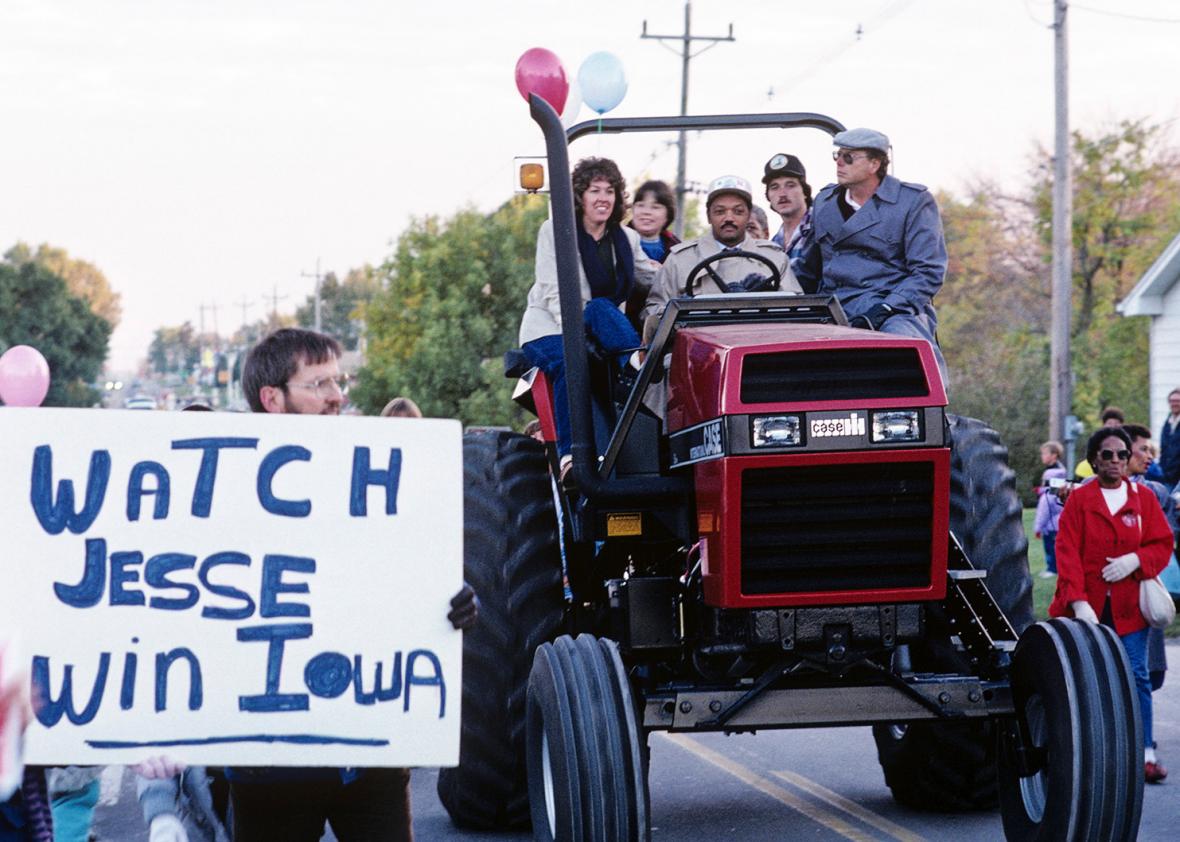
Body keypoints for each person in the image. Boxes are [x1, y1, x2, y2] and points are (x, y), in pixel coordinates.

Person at [229, 327, 480, 841]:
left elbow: (407, 573)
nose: (337, 396)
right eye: (318, 384)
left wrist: (450, 603)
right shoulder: (223, 491)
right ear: (272, 399)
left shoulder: (377, 475)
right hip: (270, 767)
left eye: (337, 381)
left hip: (369, 757)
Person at [1049, 426, 1173, 784]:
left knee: (1137, 676)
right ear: (1094, 461)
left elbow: (1161, 544)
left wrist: (1136, 560)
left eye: (1122, 454)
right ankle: (1093, 754)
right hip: (1089, 607)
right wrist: (1078, 601)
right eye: (1108, 455)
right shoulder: (1080, 500)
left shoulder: (1144, 499)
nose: (1117, 460)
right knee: (1088, 680)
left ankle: (1145, 753)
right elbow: (1067, 551)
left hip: (1130, 608)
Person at [519, 157, 657, 475]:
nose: (603, 198)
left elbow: (648, 276)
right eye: (595, 190)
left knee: (601, 310)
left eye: (610, 191)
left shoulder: (627, 238)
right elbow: (554, 290)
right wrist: (577, 336)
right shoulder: (555, 231)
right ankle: (571, 458)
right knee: (573, 359)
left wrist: (679, 270)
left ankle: (637, 375)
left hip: (602, 331)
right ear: (580, 195)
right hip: (551, 326)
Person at [794, 127, 949, 385]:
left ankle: (928, 419)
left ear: (874, 164)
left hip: (890, 306)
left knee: (912, 359)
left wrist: (887, 308)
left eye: (849, 157)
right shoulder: (825, 202)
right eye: (837, 155)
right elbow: (808, 269)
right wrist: (772, 286)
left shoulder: (911, 202)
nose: (839, 163)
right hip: (833, 306)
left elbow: (928, 272)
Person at [642, 175, 801, 324]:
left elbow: (798, 310)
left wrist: (769, 298)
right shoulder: (680, 258)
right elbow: (653, 310)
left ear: (748, 216)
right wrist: (680, 311)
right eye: (720, 212)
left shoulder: (774, 257)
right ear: (708, 216)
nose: (729, 218)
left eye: (738, 211)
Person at [1123, 423, 1175, 696]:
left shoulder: (1155, 492)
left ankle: (1143, 737)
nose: (1149, 456)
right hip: (1106, 590)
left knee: (1145, 673)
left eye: (1150, 450)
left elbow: (1163, 538)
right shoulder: (1090, 489)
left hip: (1141, 583)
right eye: (1142, 449)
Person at [761, 152, 813, 264]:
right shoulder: (774, 244)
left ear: (805, 192)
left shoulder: (821, 229)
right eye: (774, 187)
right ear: (768, 196)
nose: (782, 194)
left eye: (790, 185)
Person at [1033, 440, 1067, 579]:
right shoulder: (1061, 472)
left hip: (1052, 521)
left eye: (1045, 453)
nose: (1042, 456)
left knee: (1051, 546)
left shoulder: (1051, 475)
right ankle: (1055, 568)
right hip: (1059, 519)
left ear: (1054, 455)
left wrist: (1038, 526)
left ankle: (1052, 569)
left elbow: (1047, 502)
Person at [628, 179, 680, 264]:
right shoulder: (618, 240)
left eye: (655, 207)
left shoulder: (676, 249)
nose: (646, 212)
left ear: (668, 215)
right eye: (640, 205)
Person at [1159, 387, 1180, 490]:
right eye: (1172, 401)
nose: (1174, 404)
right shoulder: (1167, 423)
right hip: (1167, 476)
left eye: (1177, 401)